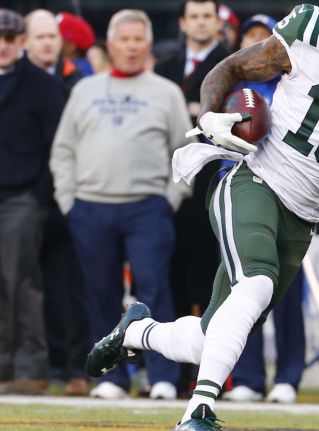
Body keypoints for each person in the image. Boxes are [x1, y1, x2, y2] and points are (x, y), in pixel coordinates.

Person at [85, 1, 319, 429]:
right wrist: (213, 114)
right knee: (256, 282)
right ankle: (198, 412)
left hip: (304, 217)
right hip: (255, 181)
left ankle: (136, 332)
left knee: (212, 336)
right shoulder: (315, 31)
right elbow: (228, 70)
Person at [50, 9, 193, 400]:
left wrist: (170, 197)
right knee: (100, 293)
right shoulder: (85, 90)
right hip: (90, 206)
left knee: (154, 291)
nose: (130, 47)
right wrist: (69, 202)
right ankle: (110, 379)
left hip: (148, 207)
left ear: (148, 45)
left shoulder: (166, 92)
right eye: (124, 40)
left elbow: (185, 151)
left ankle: (162, 377)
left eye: (137, 40)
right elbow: (63, 151)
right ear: (110, 45)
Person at [221, 14, 306, 404]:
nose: (258, 45)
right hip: (244, 193)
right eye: (250, 38)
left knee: (285, 292)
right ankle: (249, 376)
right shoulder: (230, 90)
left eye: (264, 37)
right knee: (242, 290)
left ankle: (289, 375)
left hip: (288, 197)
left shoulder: (295, 87)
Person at [155, 1, 231, 347]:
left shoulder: (233, 63)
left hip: (212, 181)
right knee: (171, 270)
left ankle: (211, 362)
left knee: (208, 274)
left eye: (207, 17)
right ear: (183, 23)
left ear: (218, 23)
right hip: (168, 179)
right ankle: (174, 361)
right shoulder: (166, 65)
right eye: (195, 17)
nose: (201, 24)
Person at [0, 7, 67, 397]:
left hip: (23, 197)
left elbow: (58, 146)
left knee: (21, 280)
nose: (4, 46)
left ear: (21, 41)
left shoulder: (42, 85)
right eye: (0, 38)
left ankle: (29, 367)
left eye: (10, 38)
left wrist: (40, 195)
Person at [24, 9, 90, 397]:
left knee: (72, 286)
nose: (48, 42)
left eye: (53, 36)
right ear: (26, 42)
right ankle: (41, 363)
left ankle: (76, 366)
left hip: (69, 197)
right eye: (41, 36)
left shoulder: (78, 82)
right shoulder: (16, 81)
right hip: (26, 196)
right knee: (30, 287)